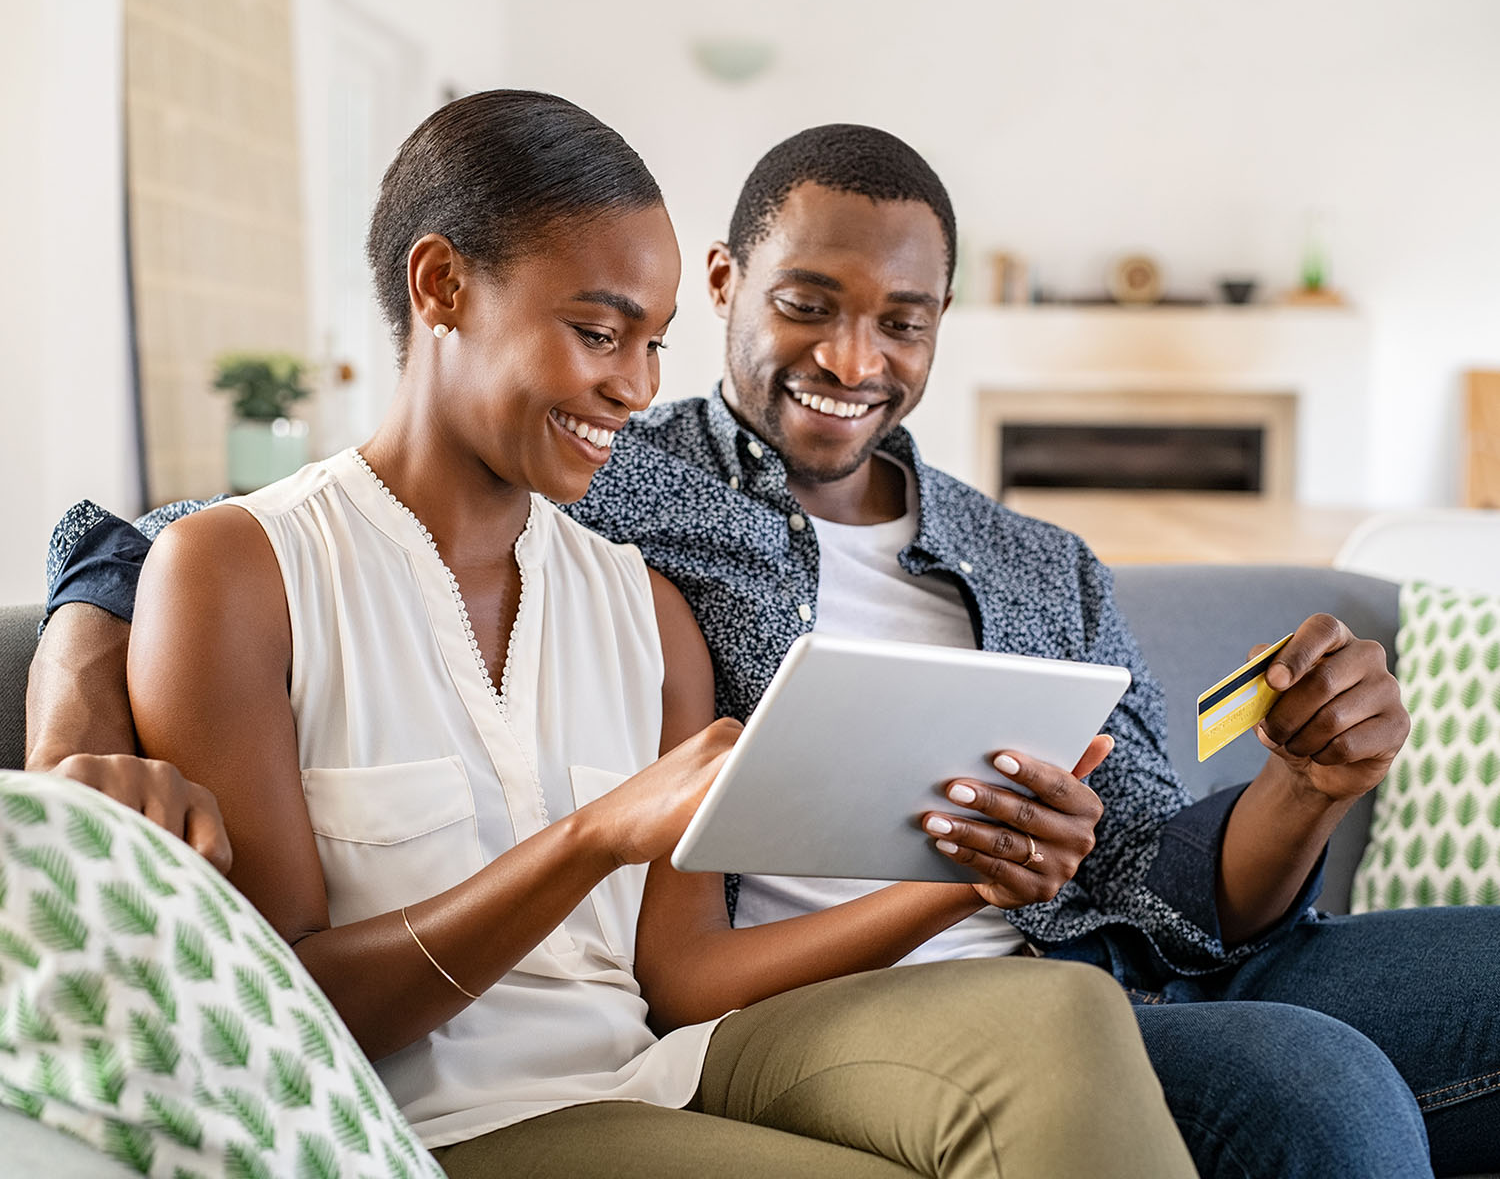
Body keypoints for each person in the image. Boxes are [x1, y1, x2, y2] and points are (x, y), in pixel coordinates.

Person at [30, 119, 1500, 1176]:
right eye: (811, 306)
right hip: (785, 1025)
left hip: (1106, 972)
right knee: (1324, 1096)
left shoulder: (1034, 564)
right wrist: (74, 699)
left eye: (902, 324)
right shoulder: (625, 485)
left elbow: (1154, 883)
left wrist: (1308, 787)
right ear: (732, 281)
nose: (856, 362)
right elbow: (158, 536)